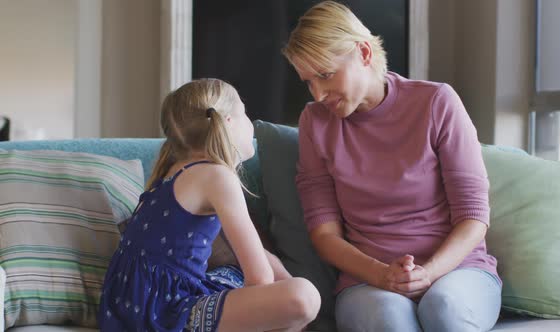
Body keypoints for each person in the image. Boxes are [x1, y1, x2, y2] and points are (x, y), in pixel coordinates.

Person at [281, 2, 502, 331]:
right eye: (308, 82)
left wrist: (429, 272)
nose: (319, 93)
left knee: (444, 308)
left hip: (458, 271)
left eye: (325, 75)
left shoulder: (436, 102)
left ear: (364, 53)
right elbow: (324, 234)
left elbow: (473, 217)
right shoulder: (315, 123)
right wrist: (381, 274)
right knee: (389, 320)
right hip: (367, 280)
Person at [99, 78, 321, 332]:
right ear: (228, 122)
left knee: (235, 276)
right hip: (164, 313)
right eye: (245, 113)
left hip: (131, 309)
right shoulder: (217, 176)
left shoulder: (175, 170)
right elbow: (260, 278)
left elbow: (260, 257)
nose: (251, 124)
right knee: (304, 296)